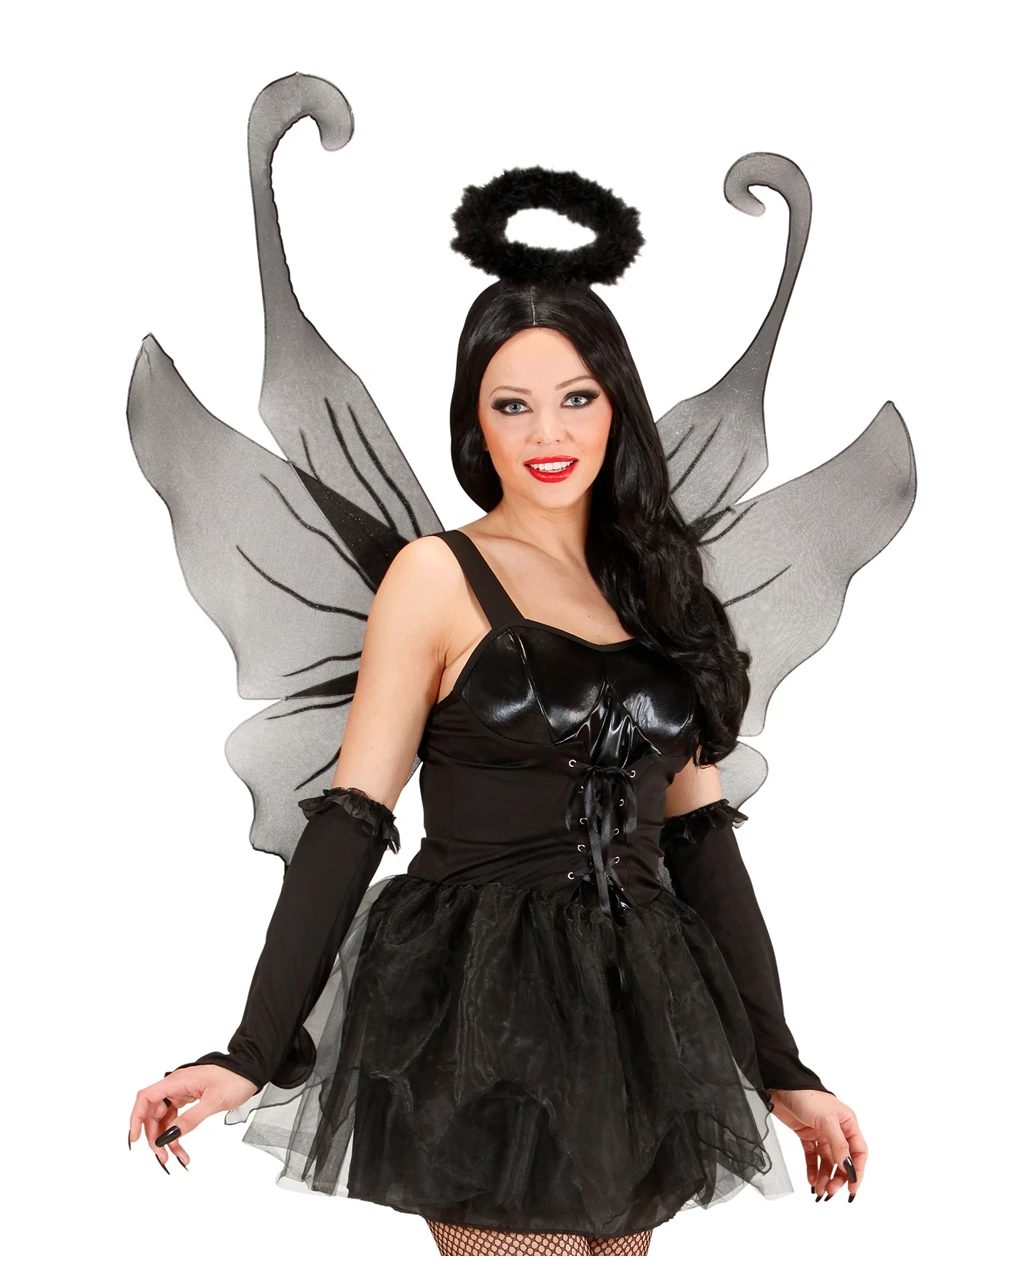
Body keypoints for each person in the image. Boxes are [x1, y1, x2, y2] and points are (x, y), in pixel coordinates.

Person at [126, 74, 912, 1258]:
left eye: (576, 398)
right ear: (475, 421)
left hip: (640, 1013)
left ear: (615, 408)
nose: (548, 434)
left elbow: (702, 844)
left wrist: (785, 1067)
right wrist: (250, 1046)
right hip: (474, 1002)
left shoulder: (662, 588)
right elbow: (351, 817)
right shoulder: (432, 578)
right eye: (512, 404)